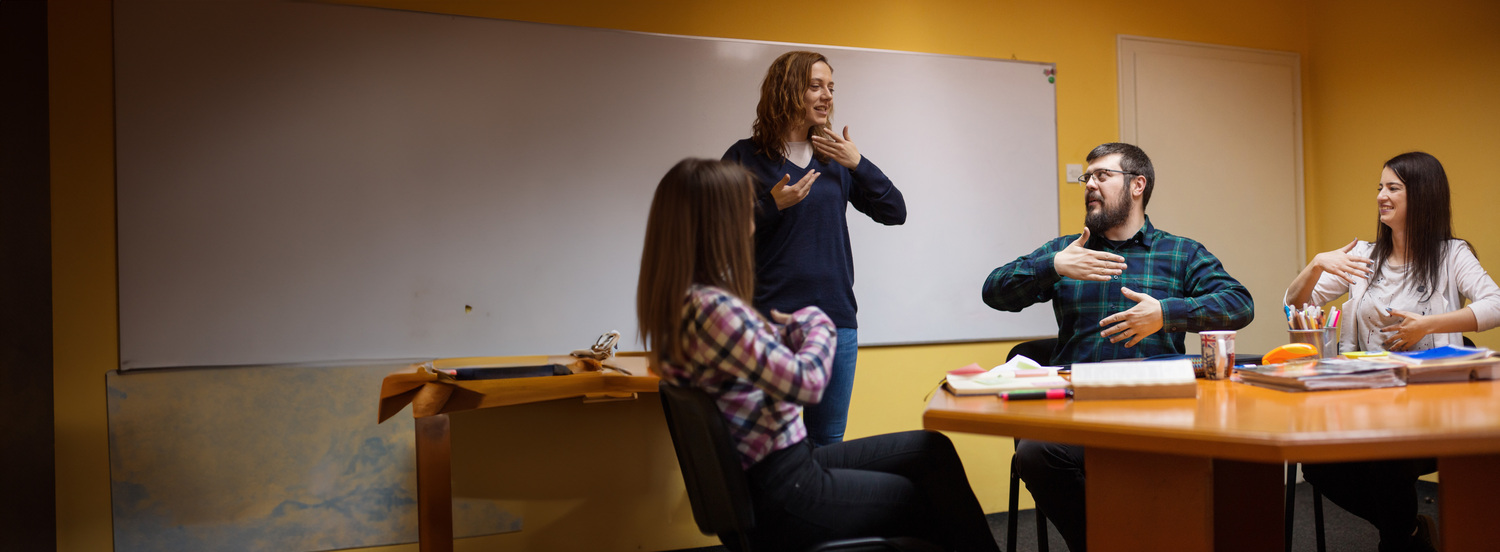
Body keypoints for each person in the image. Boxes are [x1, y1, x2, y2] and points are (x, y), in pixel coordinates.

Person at [638, 158, 998, 552]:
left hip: (784, 467)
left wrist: (789, 331)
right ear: (716, 224)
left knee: (931, 451)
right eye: (744, 209)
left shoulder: (689, 305)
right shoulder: (715, 310)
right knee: (916, 498)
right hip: (787, 488)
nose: (753, 220)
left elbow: (756, 350)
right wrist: (818, 322)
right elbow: (806, 384)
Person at [981, 142, 1255, 551]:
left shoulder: (1180, 252)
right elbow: (994, 291)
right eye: (1086, 177)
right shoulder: (1068, 251)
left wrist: (1166, 313)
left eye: (1102, 176)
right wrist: (1052, 266)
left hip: (1158, 411)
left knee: (1229, 464)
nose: (1089, 184)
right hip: (1078, 411)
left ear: (1137, 185)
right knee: (1035, 454)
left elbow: (1239, 304)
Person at [1283, 151, 1499, 552]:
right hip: (1365, 401)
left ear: (1422, 195)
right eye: (1380, 187)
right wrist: (1315, 265)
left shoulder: (1452, 255)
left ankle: (1398, 540)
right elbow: (1294, 305)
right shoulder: (1365, 256)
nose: (1381, 195)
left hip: (1432, 408)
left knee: (1388, 459)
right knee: (1316, 465)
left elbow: (1495, 304)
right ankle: (1409, 534)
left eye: (1392, 188)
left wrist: (1428, 325)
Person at [722, 50, 906, 446]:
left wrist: (859, 164)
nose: (827, 96)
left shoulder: (835, 159)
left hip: (836, 322)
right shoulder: (744, 158)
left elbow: (895, 212)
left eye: (831, 88)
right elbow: (717, 234)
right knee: (769, 450)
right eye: (815, 86)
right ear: (788, 91)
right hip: (768, 324)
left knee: (827, 448)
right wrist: (772, 205)